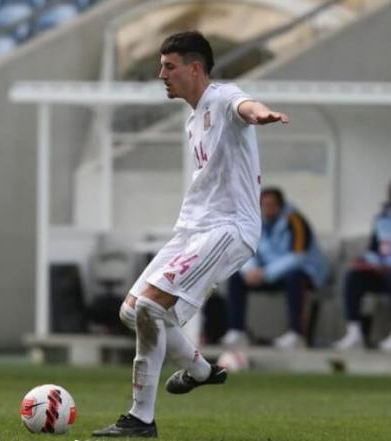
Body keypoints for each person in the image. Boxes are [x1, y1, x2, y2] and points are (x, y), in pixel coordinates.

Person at [92, 31, 289, 438]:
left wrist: (261, 113)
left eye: (170, 67)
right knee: (131, 310)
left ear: (195, 68)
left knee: (149, 308)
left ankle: (140, 419)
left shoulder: (221, 97)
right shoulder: (192, 119)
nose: (161, 74)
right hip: (192, 228)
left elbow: (244, 106)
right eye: (161, 66)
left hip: (228, 228)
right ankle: (199, 369)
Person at [220, 187, 329, 349]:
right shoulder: (255, 221)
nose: (267, 208)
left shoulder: (295, 220)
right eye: (264, 205)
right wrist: (251, 270)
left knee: (295, 277)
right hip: (267, 274)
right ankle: (237, 331)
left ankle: (296, 334)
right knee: (236, 277)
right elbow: (247, 249)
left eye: (272, 205)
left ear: (281, 205)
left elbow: (298, 257)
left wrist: (265, 273)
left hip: (305, 273)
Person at [333, 181, 391, 351]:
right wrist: (369, 261)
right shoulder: (382, 218)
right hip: (382, 271)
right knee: (354, 276)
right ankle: (354, 332)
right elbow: (375, 248)